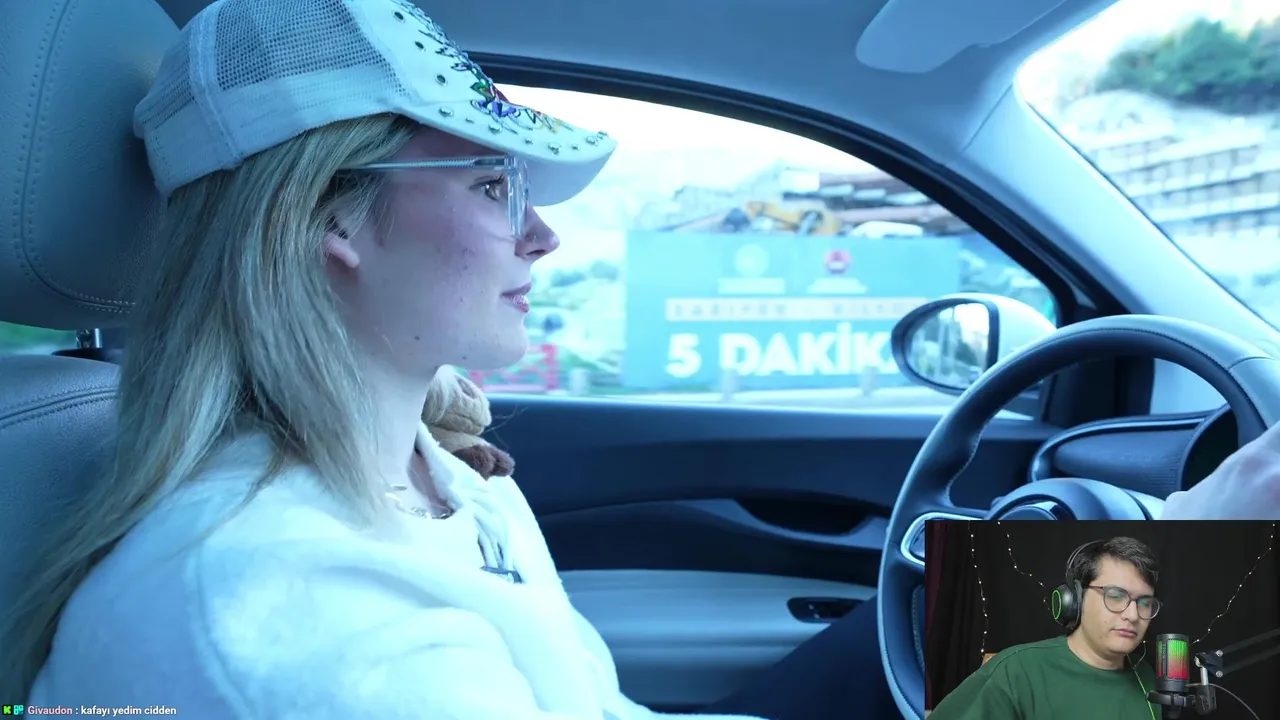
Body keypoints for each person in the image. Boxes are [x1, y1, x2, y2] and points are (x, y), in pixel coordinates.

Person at [0, 1, 898, 718]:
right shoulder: (294, 608)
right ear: (327, 217)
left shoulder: (443, 474)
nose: (542, 235)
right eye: (492, 184)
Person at [928, 537, 1161, 720]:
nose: (1133, 615)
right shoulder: (1015, 670)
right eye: (1116, 596)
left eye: (1145, 602)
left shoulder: (1146, 676)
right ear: (1076, 600)